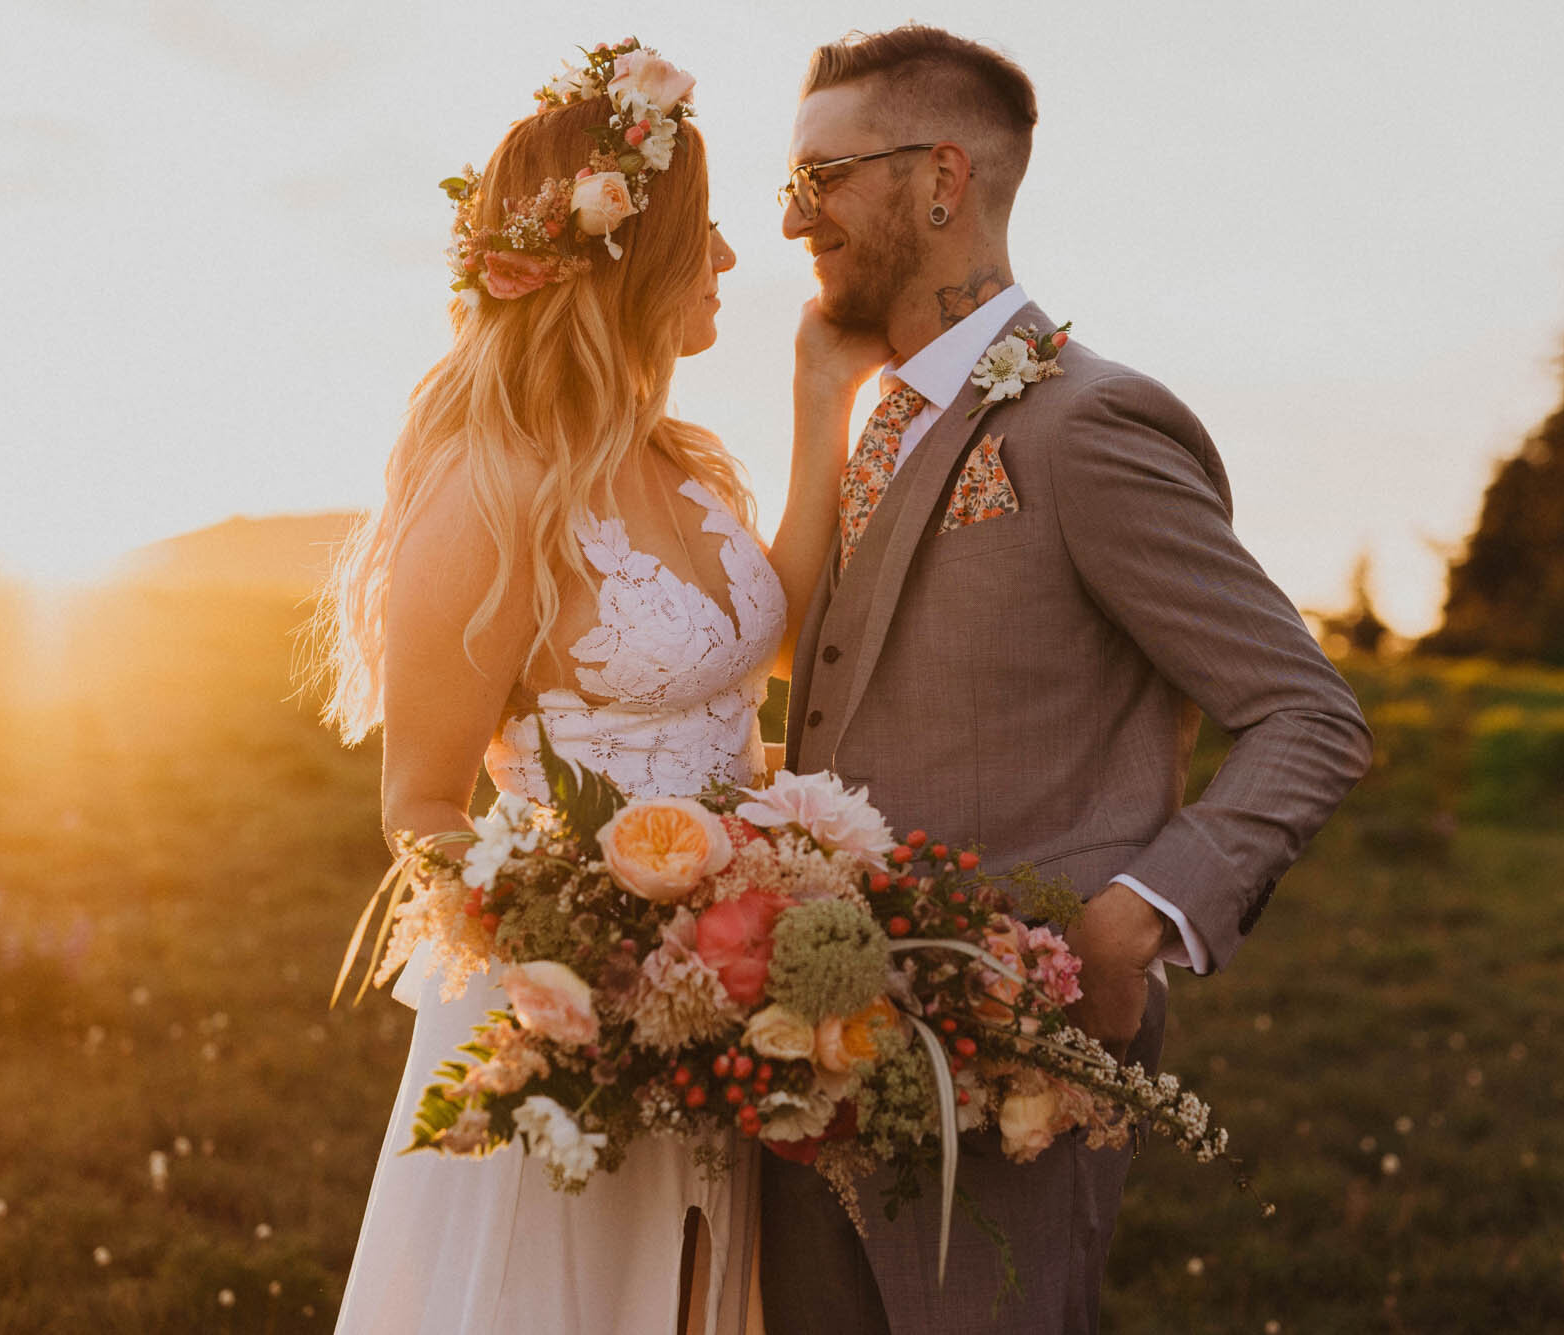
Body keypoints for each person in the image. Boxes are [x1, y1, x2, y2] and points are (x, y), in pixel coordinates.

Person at [764, 25, 1373, 1335]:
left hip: (1007, 1067)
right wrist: (819, 409)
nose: (790, 223)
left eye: (821, 180)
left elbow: (1307, 710)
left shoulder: (1086, 424)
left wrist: (1133, 916)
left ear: (939, 180)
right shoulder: (878, 419)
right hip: (808, 1054)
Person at [316, 42, 880, 1334]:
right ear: (630, 255)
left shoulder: (685, 463)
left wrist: (820, 404)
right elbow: (423, 806)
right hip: (570, 1030)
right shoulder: (489, 487)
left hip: (726, 1001)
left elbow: (785, 639)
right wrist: (602, 980)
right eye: (709, 232)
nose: (735, 259)